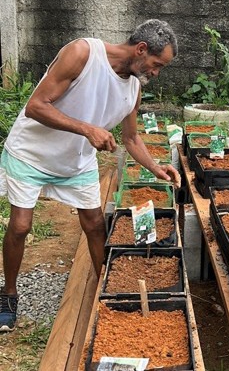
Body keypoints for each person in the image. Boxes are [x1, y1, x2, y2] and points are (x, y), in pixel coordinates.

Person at [0, 19, 182, 332]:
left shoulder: (133, 88)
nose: (156, 73)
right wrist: (88, 129)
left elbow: (131, 138)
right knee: (20, 225)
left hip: (76, 161)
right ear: (140, 49)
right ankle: (8, 293)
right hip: (32, 153)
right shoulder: (82, 53)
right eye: (156, 64)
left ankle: (104, 290)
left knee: (95, 224)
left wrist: (156, 167)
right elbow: (35, 107)